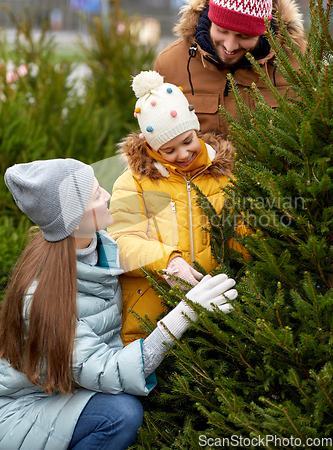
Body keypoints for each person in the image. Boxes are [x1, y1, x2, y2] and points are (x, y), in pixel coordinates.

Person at [0, 158, 238, 450]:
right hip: (26, 409)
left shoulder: (94, 243)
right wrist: (185, 313)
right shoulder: (41, 296)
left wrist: (172, 264)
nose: (107, 197)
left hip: (69, 390)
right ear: (75, 218)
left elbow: (128, 245)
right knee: (121, 414)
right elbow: (107, 372)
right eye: (97, 194)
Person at [108, 70, 248, 347]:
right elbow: (120, 243)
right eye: (169, 151)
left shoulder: (225, 174)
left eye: (187, 142)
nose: (183, 155)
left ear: (195, 128)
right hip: (152, 320)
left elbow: (243, 234)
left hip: (219, 312)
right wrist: (167, 263)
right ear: (152, 147)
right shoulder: (133, 182)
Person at [153, 0, 307, 138]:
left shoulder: (297, 63)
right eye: (222, 31)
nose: (230, 46)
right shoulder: (170, 64)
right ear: (211, 21)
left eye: (244, 36)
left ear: (263, 33)